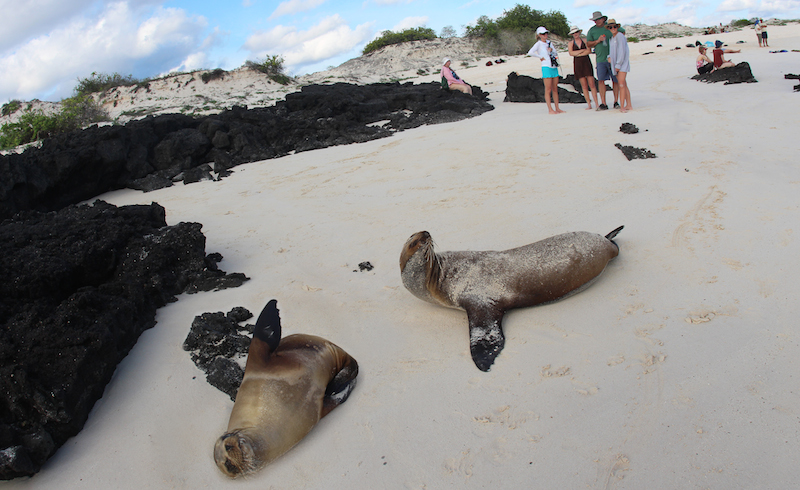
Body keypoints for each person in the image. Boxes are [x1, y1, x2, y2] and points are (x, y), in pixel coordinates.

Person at [586, 11, 625, 110]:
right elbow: (588, 44)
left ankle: (616, 102)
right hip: (600, 59)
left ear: (603, 19)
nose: (597, 21)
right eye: (595, 20)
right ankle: (603, 103)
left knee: (615, 80)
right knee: (601, 80)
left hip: (613, 59)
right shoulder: (592, 30)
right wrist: (597, 41)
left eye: (599, 19)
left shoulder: (610, 27)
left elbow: (622, 31)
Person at [527, 26, 564, 114]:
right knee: (548, 89)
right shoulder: (539, 44)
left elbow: (555, 52)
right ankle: (550, 109)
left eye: (546, 33)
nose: (545, 35)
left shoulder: (549, 43)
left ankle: (557, 108)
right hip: (546, 67)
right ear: (539, 35)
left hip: (553, 66)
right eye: (543, 34)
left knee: (555, 88)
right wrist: (540, 57)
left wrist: (551, 50)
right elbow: (530, 52)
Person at [567, 25, 599, 110]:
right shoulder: (570, 43)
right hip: (578, 64)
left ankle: (596, 103)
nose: (575, 34)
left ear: (579, 32)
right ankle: (589, 104)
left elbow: (588, 51)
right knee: (584, 85)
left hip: (586, 62)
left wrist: (578, 53)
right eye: (573, 33)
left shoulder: (585, 40)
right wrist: (581, 51)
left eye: (576, 32)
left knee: (592, 84)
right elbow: (571, 53)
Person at [608, 19, 631, 113]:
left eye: (614, 27)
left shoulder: (620, 36)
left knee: (621, 84)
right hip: (615, 64)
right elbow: (612, 51)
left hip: (621, 64)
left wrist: (618, 64)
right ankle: (629, 104)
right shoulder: (612, 38)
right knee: (624, 84)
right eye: (610, 27)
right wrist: (609, 57)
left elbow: (622, 51)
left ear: (617, 27)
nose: (613, 28)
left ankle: (622, 107)